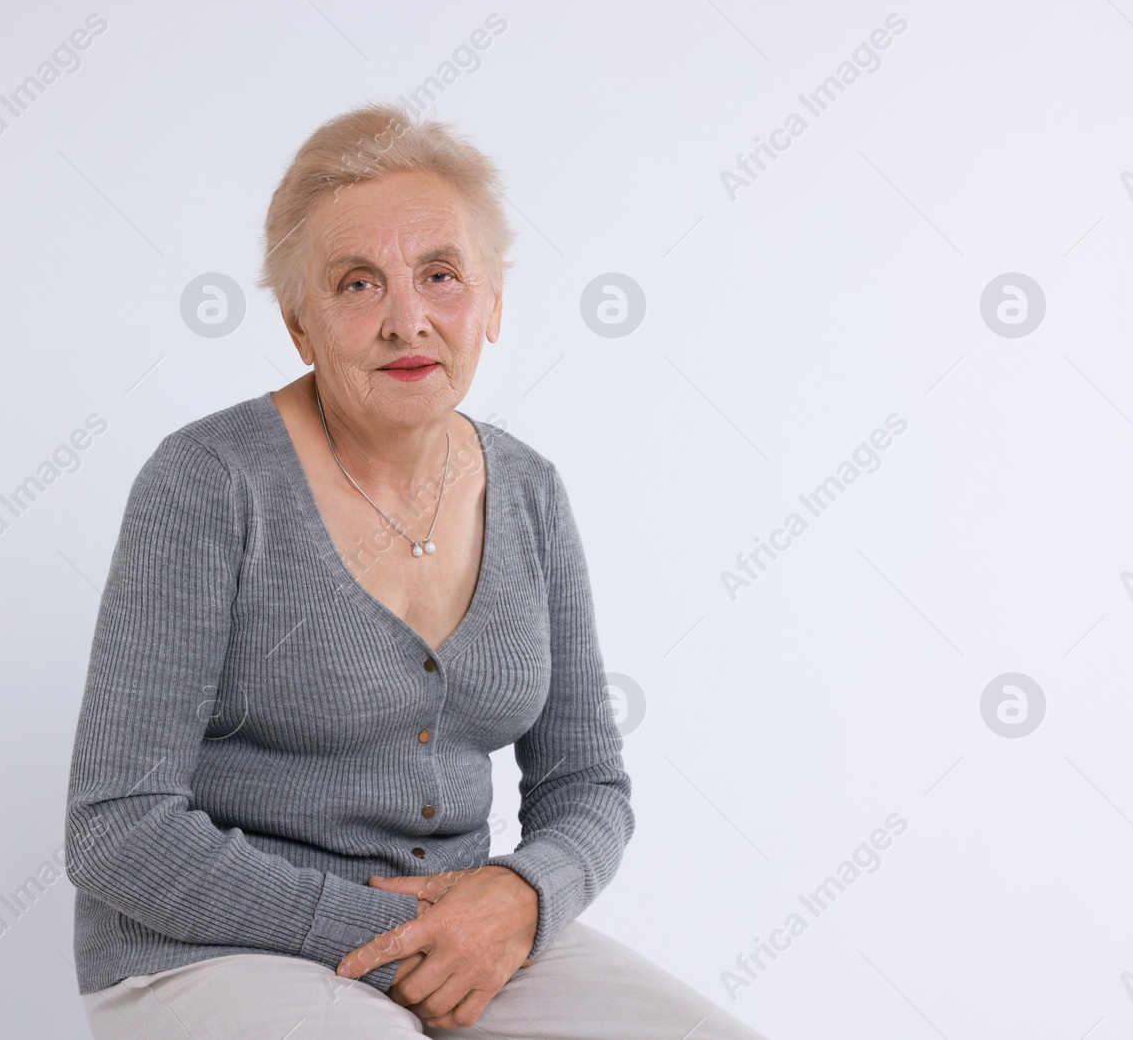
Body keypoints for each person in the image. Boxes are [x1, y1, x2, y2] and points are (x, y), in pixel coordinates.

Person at [64, 102, 770, 1038]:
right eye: (357, 284)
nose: (408, 320)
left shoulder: (529, 491)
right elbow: (115, 826)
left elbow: (589, 783)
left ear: (493, 303)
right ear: (300, 325)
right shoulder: (209, 484)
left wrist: (521, 897)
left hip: (469, 937)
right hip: (212, 946)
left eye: (441, 275)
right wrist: (407, 932)